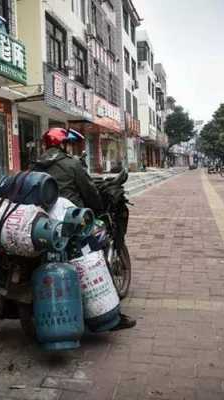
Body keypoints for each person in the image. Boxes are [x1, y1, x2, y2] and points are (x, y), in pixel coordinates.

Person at [33, 128, 136, 331]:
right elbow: (89, 192)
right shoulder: (72, 164)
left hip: (43, 225)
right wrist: (97, 209)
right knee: (95, 252)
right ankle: (110, 315)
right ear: (62, 145)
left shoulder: (35, 166)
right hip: (73, 222)